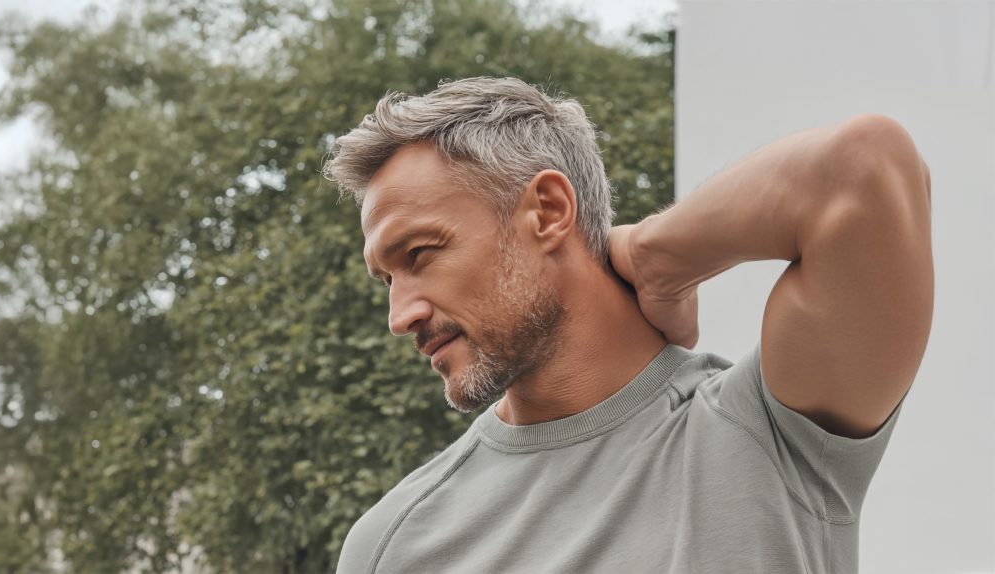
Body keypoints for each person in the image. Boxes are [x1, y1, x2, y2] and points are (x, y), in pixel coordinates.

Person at [323, 77, 933, 573]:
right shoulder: (393, 546)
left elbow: (861, 168)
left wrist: (653, 258)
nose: (400, 317)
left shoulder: (770, 437)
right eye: (387, 280)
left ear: (550, 211)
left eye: (420, 255)